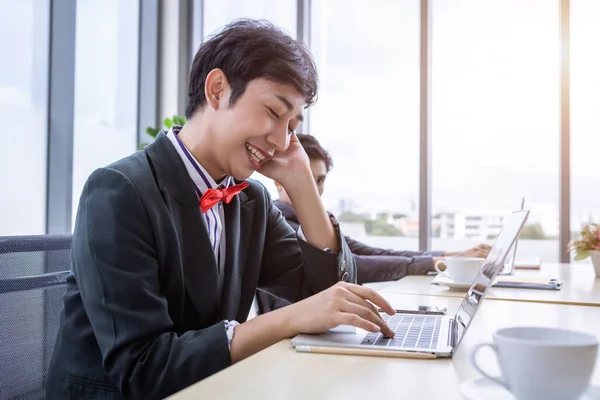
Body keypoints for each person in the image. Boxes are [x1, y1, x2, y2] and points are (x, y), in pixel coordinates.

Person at [46, 20, 397, 400]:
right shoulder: (119, 191)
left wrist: (302, 186)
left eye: (292, 126)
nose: (282, 142)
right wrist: (287, 319)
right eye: (274, 112)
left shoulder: (250, 201)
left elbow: (329, 295)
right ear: (217, 90)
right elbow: (144, 368)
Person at [255, 134, 490, 314]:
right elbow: (353, 264)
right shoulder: (277, 218)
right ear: (278, 181)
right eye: (306, 178)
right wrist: (435, 262)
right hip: (289, 336)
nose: (314, 189)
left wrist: (450, 255)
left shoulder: (317, 223)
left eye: (319, 180)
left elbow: (371, 252)